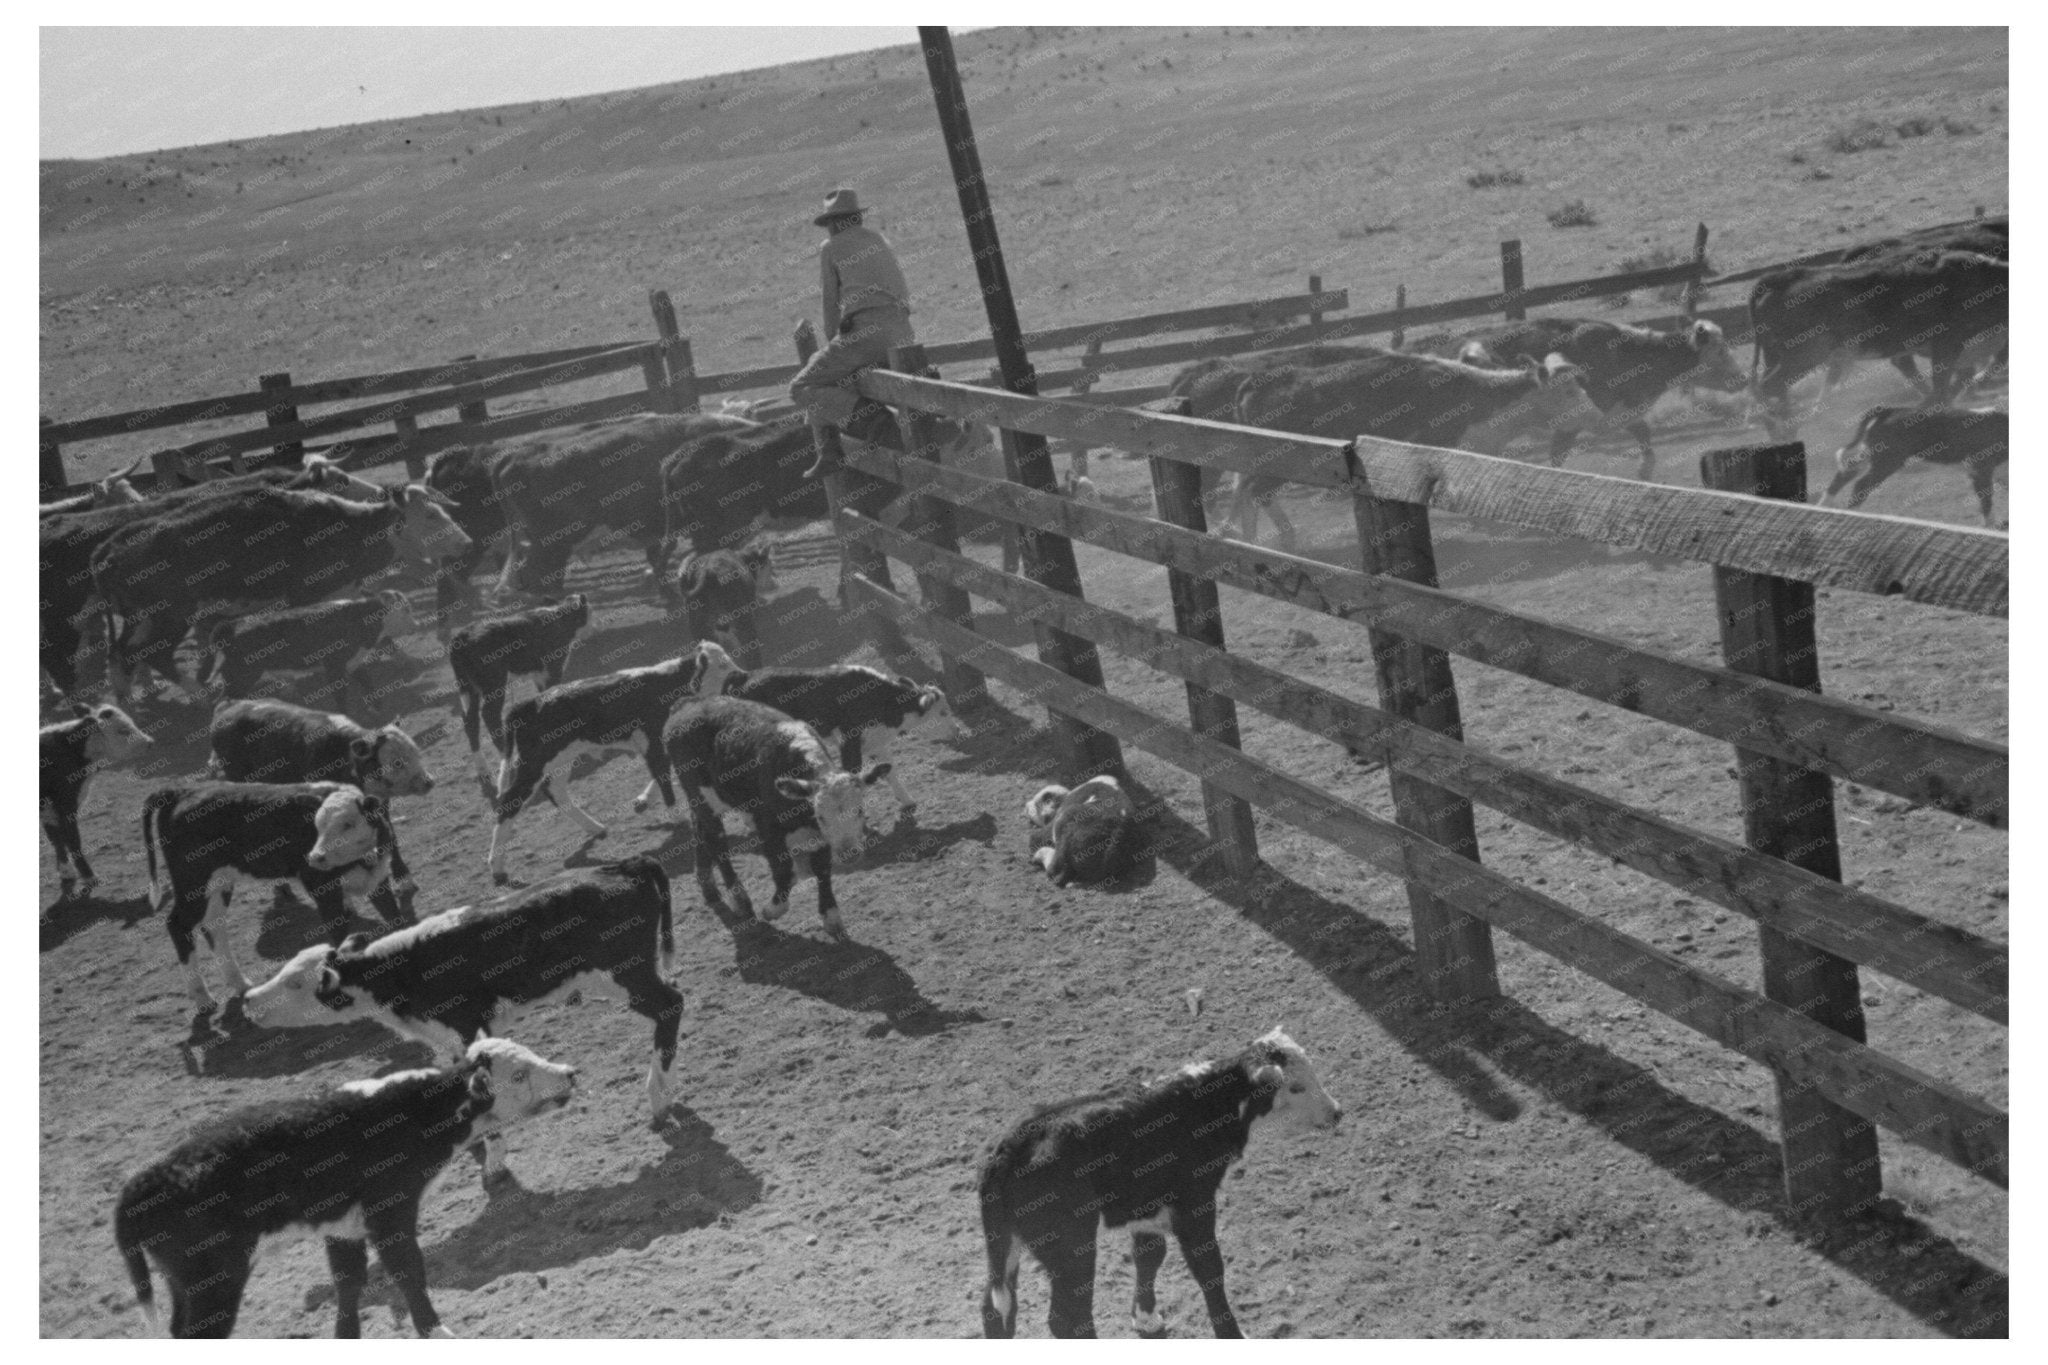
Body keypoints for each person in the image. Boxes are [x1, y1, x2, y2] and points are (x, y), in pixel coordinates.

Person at [789, 188, 917, 478]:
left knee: (802, 386)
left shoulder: (830, 247)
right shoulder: (878, 240)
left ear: (833, 223)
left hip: (866, 332)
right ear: (856, 218)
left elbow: (830, 303)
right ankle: (830, 451)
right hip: (902, 331)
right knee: (839, 378)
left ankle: (873, 425)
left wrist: (832, 340)